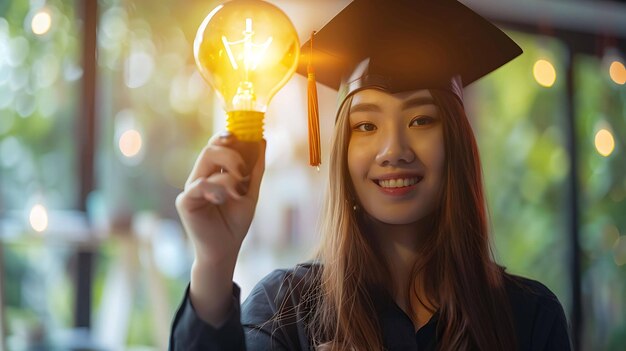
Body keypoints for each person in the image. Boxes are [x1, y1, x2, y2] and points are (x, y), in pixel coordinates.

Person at [169, 0, 572, 350]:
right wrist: (214, 262)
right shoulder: (286, 310)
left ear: (457, 145)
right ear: (342, 149)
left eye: (421, 120)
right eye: (366, 125)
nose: (393, 150)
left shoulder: (528, 317)